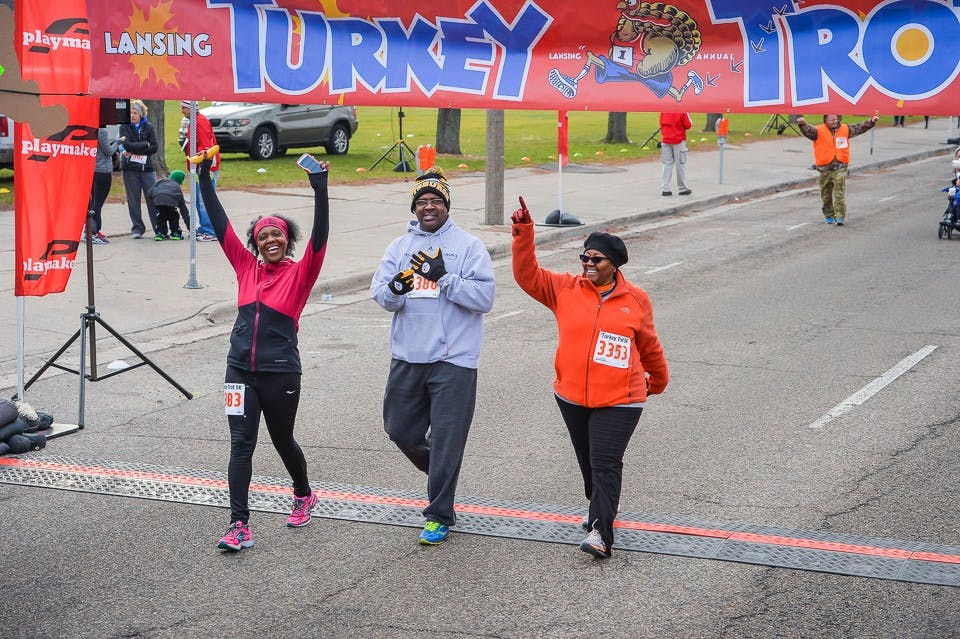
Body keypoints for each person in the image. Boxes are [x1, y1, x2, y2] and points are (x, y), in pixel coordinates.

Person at [510, 199, 669, 559]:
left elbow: (649, 345)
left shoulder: (635, 300)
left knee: (605, 461)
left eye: (596, 259)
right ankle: (597, 507)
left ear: (614, 264)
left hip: (621, 400)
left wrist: (656, 381)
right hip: (571, 397)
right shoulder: (565, 289)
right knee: (588, 462)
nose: (588, 265)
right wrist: (523, 233)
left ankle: (601, 532)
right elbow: (527, 275)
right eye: (584, 258)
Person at [194, 151, 331, 551]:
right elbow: (221, 228)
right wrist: (204, 178)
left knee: (283, 439)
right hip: (239, 371)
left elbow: (320, 239)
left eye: (277, 235)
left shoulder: (301, 274)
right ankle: (239, 524)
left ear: (287, 240)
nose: (270, 240)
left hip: (281, 373)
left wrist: (319, 189)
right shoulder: (244, 267)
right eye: (263, 236)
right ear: (255, 243)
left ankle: (304, 493)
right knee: (241, 443)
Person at [370, 168, 495, 546]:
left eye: (435, 201)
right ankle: (442, 471)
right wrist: (394, 288)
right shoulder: (399, 247)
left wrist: (444, 278)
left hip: (454, 360)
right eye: (422, 202)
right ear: (414, 207)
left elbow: (484, 299)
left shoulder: (468, 246)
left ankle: (439, 513)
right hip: (408, 355)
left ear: (446, 206)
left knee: (446, 439)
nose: (429, 207)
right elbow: (382, 297)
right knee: (399, 430)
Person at [796, 113, 878, 226]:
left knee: (839, 191)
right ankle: (829, 215)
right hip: (824, 168)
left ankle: (840, 216)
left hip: (840, 166)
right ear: (825, 121)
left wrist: (872, 121)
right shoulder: (818, 131)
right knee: (826, 193)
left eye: (835, 119)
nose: (834, 121)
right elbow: (808, 131)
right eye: (831, 120)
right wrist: (802, 124)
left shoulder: (846, 129)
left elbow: (860, 127)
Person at [119, 99, 160, 239]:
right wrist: (144, 144)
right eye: (130, 112)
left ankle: (158, 227)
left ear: (141, 114)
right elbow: (127, 145)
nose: (132, 115)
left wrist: (138, 148)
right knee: (133, 199)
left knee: (152, 198)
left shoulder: (149, 127)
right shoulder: (124, 127)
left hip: (147, 168)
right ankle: (137, 228)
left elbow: (154, 147)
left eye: (135, 113)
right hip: (130, 168)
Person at [180, 100, 220, 242]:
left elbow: (206, 148)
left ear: (191, 108)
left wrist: (201, 164)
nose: (181, 110)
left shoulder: (200, 123)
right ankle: (204, 228)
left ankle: (210, 230)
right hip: (198, 168)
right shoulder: (193, 121)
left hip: (205, 168)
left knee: (205, 200)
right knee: (198, 199)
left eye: (184, 108)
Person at [87, 126, 119, 245]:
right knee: (97, 204)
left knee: (93, 202)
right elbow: (109, 151)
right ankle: (93, 232)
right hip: (103, 171)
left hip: (93, 170)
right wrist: (118, 141)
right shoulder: (102, 131)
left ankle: (93, 230)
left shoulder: (91, 129)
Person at [147, 170, 189, 240]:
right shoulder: (177, 187)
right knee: (174, 216)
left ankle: (160, 233)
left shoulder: (160, 182)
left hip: (158, 200)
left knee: (161, 216)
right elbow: (183, 209)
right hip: (171, 202)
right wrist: (191, 229)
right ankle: (175, 232)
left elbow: (149, 192)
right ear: (180, 181)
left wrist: (154, 202)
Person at [659, 112, 693, 196]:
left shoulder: (664, 110)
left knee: (667, 164)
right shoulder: (682, 110)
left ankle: (665, 188)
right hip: (679, 140)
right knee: (680, 164)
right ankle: (682, 188)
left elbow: (661, 123)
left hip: (666, 139)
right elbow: (688, 125)